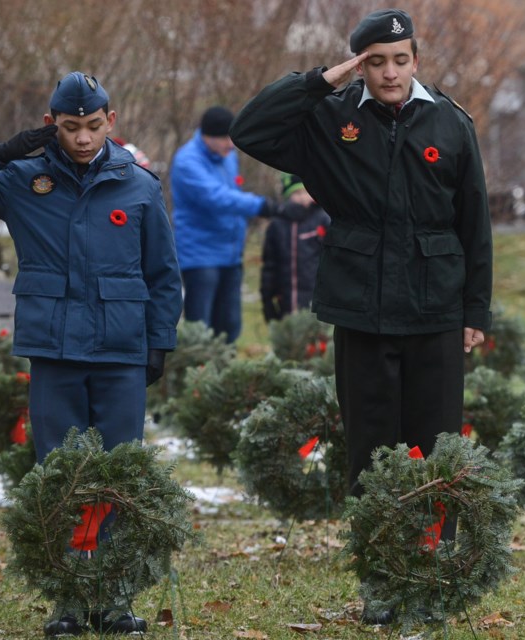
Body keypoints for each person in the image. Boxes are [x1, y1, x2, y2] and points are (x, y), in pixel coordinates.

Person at [230, 8, 492, 623]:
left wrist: (475, 310)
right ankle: (381, 580)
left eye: (401, 60)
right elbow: (251, 129)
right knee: (371, 451)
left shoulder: (451, 123)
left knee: (435, 449)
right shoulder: (331, 118)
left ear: (416, 61)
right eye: (376, 62)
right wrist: (322, 81)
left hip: (435, 309)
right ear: (359, 65)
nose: (391, 73)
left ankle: (429, 578)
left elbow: (474, 220)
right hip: (363, 309)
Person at [0, 71, 181, 636]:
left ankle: (115, 597)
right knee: (60, 477)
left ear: (111, 121)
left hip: (121, 350)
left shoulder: (140, 185)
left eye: (94, 126)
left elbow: (163, 274)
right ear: (52, 125)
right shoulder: (20, 179)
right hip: (54, 350)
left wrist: (159, 342)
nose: (84, 138)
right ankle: (68, 598)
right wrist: (0, 152)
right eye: (71, 128)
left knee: (119, 475)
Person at [170, 106, 275, 343]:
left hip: (230, 255)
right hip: (200, 256)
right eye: (225, 138)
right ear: (207, 136)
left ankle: (222, 375)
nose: (231, 144)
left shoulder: (228, 157)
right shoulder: (187, 162)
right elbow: (216, 198)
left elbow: (231, 193)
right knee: (201, 329)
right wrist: (260, 206)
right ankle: (198, 375)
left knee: (230, 325)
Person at [260, 173, 331, 322]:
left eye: (307, 192)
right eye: (297, 193)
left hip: (315, 296)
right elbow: (269, 265)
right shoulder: (277, 225)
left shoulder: (322, 219)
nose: (303, 198)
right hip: (285, 297)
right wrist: (267, 298)